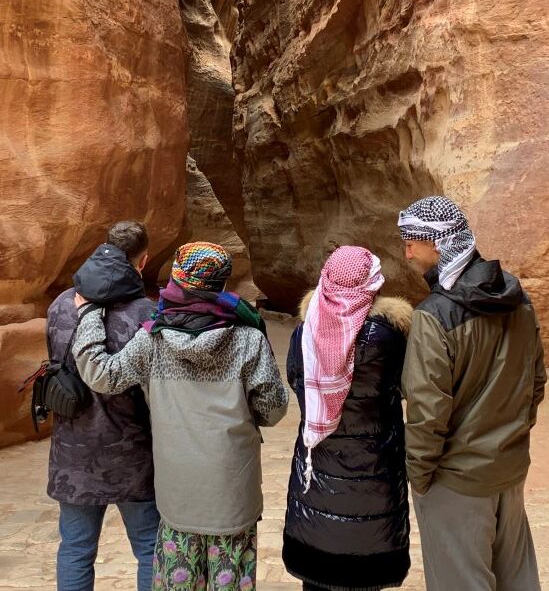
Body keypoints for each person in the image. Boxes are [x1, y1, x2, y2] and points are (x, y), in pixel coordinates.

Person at [71, 241, 289, 590]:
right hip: (233, 490)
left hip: (177, 493)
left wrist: (89, 314)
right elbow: (273, 408)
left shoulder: (153, 339)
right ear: (222, 283)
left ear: (178, 278)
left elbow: (102, 374)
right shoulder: (249, 338)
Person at [398, 195, 546, 591]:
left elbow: (427, 414)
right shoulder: (520, 300)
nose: (407, 251)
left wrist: (421, 477)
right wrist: (508, 437)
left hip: (455, 481)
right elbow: (535, 384)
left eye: (413, 240)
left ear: (440, 242)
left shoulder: (433, 317)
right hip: (508, 471)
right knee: (517, 580)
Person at [282, 245, 411, 591]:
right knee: (366, 575)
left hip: (320, 467)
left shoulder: (305, 334)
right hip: (375, 471)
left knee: (318, 575)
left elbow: (297, 383)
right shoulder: (389, 337)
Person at [47, 220, 159, 591]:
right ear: (140, 262)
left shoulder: (62, 305)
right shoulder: (146, 314)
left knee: (76, 549)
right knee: (150, 549)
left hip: (73, 451)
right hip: (134, 453)